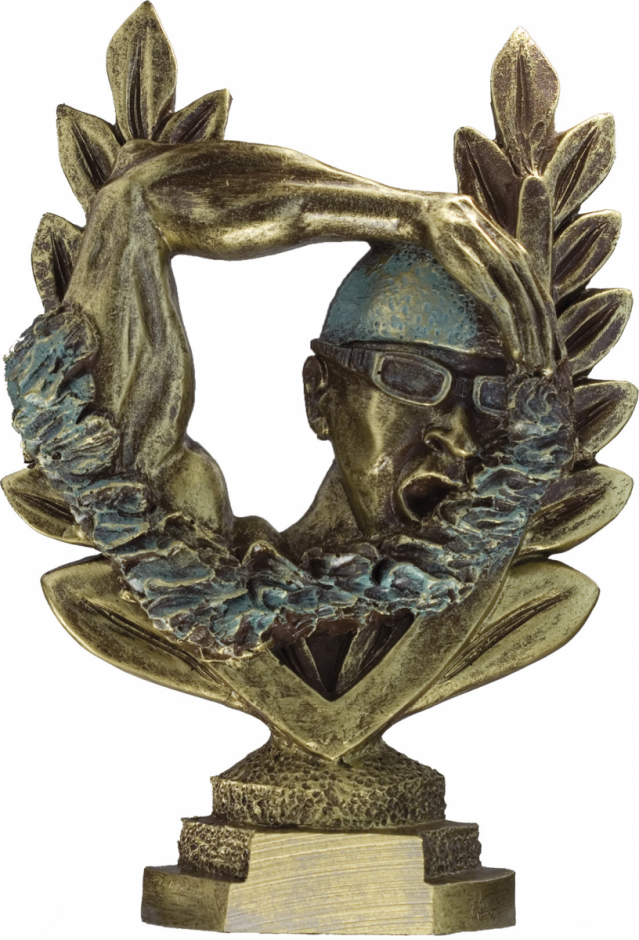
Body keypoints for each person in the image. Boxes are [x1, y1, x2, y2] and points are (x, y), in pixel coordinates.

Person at [6, 139, 574, 664]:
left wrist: (541, 366)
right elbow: (137, 204)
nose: (459, 435)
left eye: (495, 396)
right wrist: (409, 215)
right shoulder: (189, 554)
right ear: (319, 394)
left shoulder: (492, 543)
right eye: (410, 379)